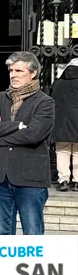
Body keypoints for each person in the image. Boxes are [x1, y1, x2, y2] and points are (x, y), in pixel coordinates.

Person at [0, 51, 55, 236]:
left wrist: (0, 134)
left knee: (32, 233)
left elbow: (33, 135)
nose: (13, 75)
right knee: (2, 233)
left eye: (19, 71)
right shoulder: (0, 98)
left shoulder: (45, 102)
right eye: (11, 71)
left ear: (33, 73)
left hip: (31, 177)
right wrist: (17, 126)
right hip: (1, 176)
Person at [52, 58, 78, 192]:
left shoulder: (57, 83)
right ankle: (77, 181)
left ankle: (63, 181)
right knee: (77, 152)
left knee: (62, 151)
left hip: (61, 122)